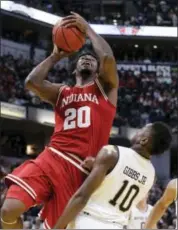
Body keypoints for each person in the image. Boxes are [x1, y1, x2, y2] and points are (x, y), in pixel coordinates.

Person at [1, 13, 118, 229]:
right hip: (52, 156)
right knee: (7, 210)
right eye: (82, 58)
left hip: (79, 171)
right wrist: (56, 55)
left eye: (92, 59)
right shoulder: (62, 92)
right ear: (74, 70)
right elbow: (32, 82)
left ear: (97, 70)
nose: (86, 58)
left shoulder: (105, 89)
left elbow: (108, 59)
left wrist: (88, 29)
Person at [54, 122, 172, 229]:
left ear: (144, 140)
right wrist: (97, 166)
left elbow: (81, 197)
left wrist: (58, 227)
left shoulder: (111, 153)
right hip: (117, 226)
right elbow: (119, 179)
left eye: (142, 130)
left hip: (88, 221)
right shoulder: (151, 175)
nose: (138, 131)